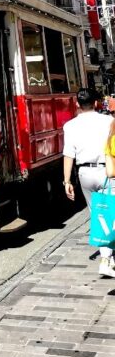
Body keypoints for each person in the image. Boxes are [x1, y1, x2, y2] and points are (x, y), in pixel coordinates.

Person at [63, 88, 114, 278]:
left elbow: (68, 154)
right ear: (95, 103)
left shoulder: (70, 126)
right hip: (106, 171)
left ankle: (107, 256)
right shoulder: (108, 121)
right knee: (109, 213)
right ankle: (106, 259)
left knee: (98, 214)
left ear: (77, 105)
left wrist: (67, 180)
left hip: (84, 173)